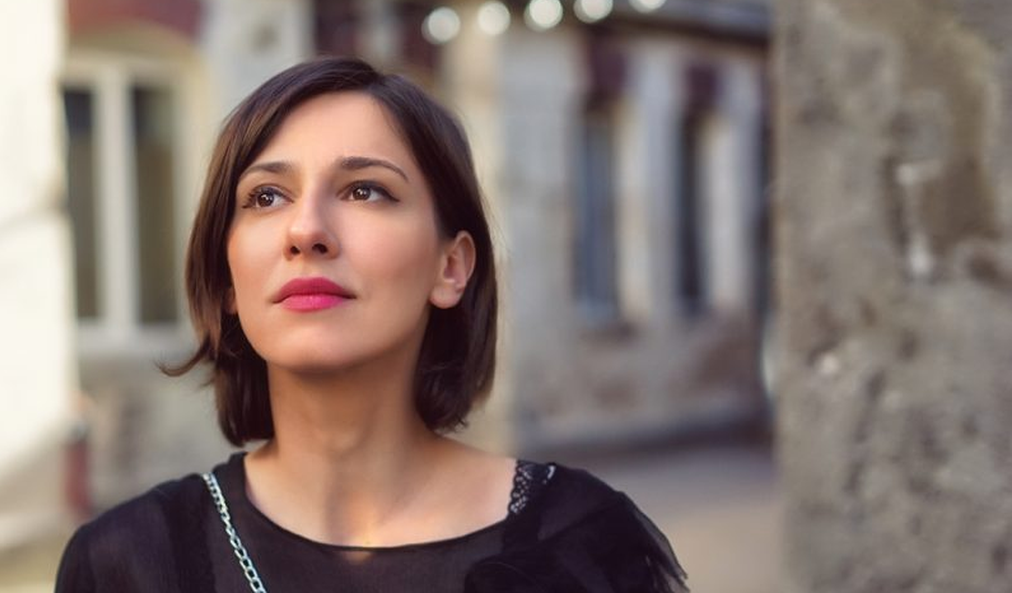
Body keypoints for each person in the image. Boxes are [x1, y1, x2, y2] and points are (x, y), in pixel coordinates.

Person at [55, 57, 687, 593]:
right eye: (266, 197)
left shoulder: (583, 545)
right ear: (226, 281)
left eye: (364, 190)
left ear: (450, 267)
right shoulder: (127, 565)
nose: (306, 231)